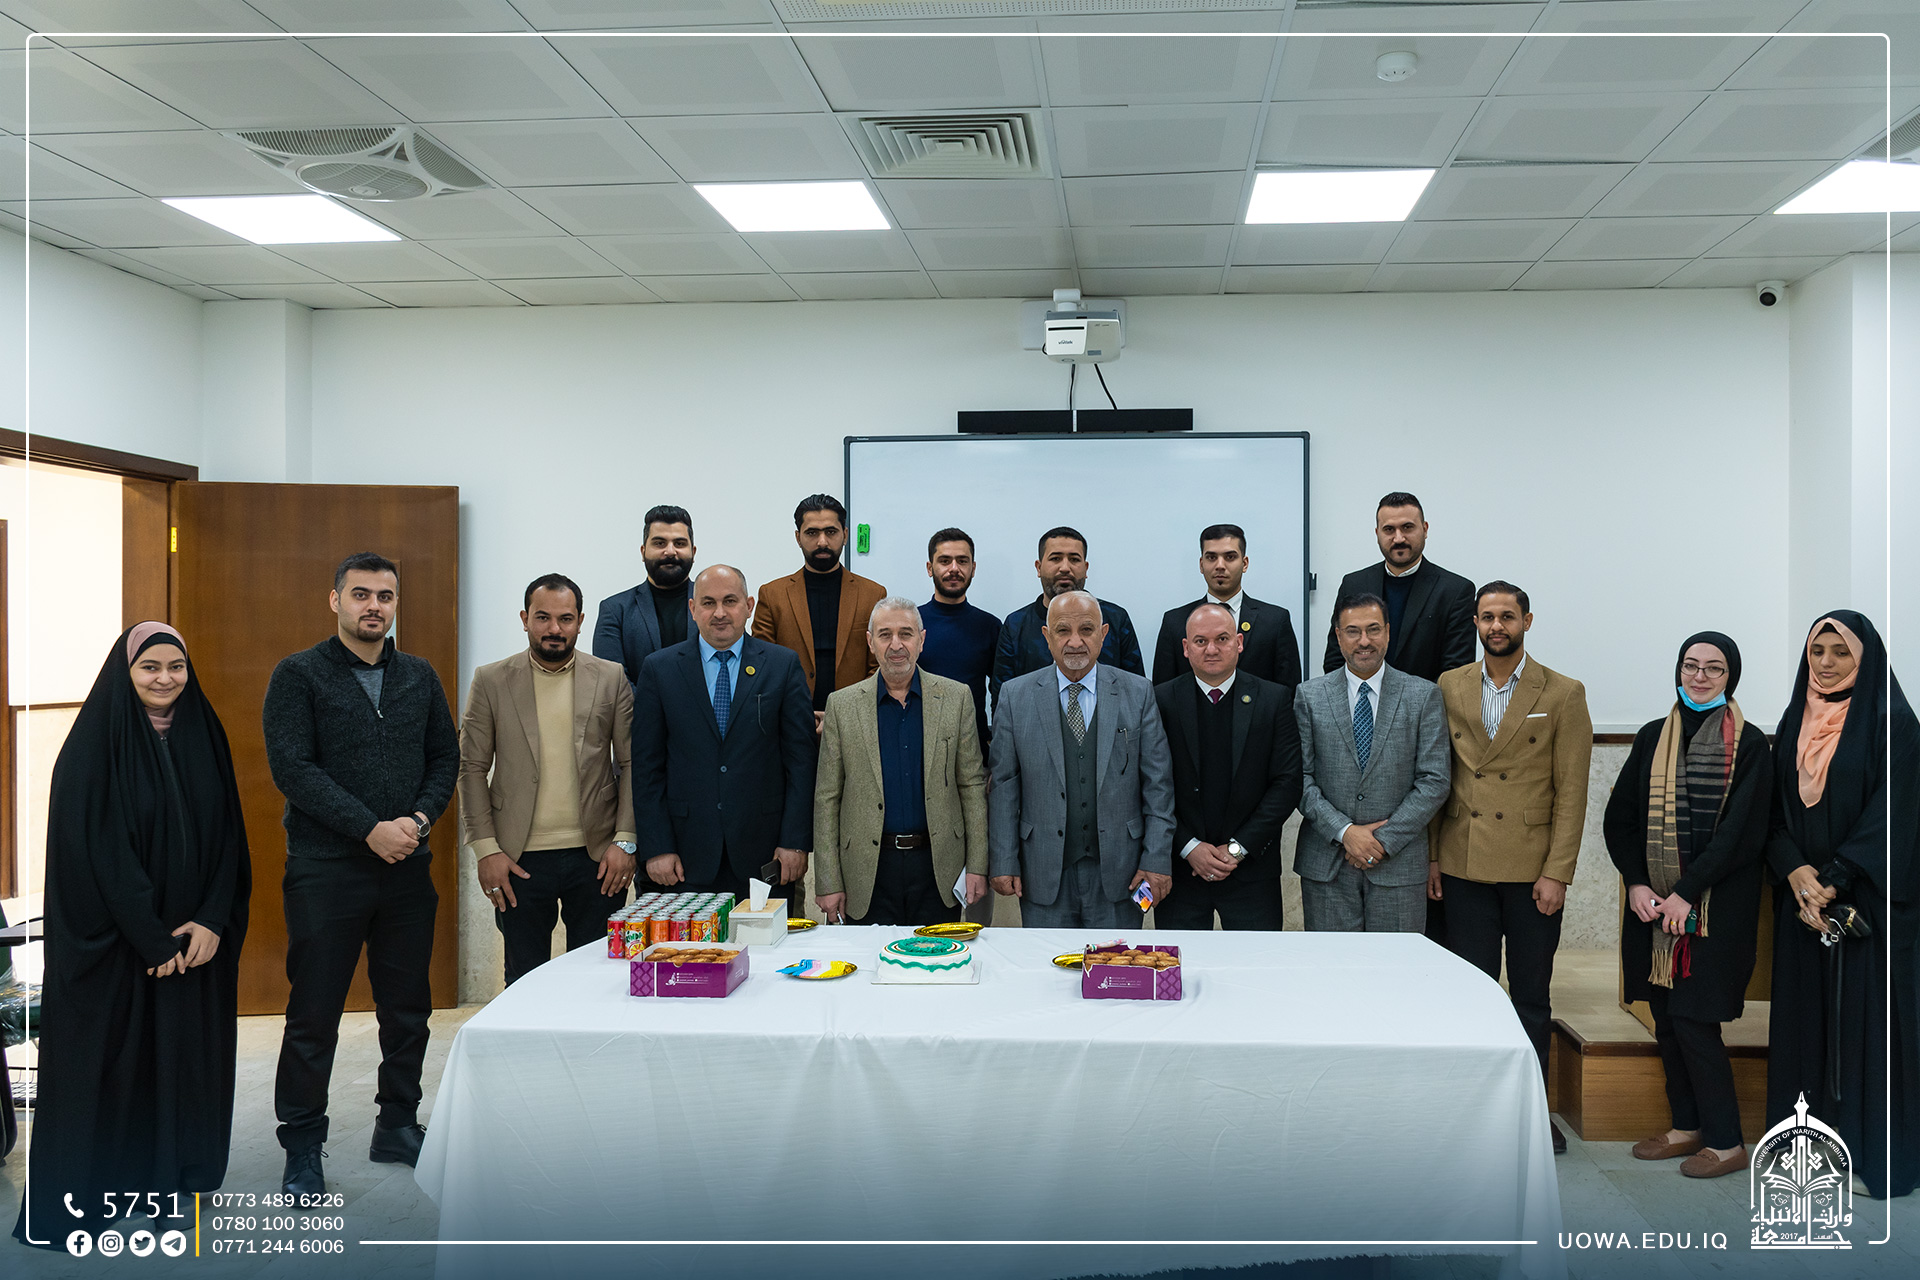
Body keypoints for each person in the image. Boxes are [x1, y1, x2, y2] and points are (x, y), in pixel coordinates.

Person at [11, 625, 250, 1249]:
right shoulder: (93, 747)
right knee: (115, 1070)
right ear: (126, 671)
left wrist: (213, 919)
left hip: (192, 947)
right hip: (123, 951)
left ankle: (174, 1187)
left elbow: (229, 835)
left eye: (177, 666)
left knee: (181, 1067)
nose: (166, 678)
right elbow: (96, 855)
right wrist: (152, 939)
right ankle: (98, 1195)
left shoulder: (204, 732)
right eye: (150, 667)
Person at [262, 552, 458, 1193]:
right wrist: (369, 828)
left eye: (385, 596)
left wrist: (418, 822)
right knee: (313, 1013)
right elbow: (293, 769)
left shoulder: (419, 676)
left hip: (406, 869)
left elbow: (445, 758)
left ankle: (397, 1124)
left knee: (408, 1010)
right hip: (326, 872)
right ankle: (302, 1144)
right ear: (336, 600)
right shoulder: (298, 674)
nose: (374, 606)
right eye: (361, 594)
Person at [1430, 581, 1591, 1154]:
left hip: (1531, 872)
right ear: (1475, 622)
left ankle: (1531, 1113)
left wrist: (1558, 872)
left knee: (1530, 998)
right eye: (1487, 617)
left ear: (1527, 621)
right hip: (1463, 863)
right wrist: (1433, 857)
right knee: (1471, 995)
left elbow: (1572, 792)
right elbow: (1437, 776)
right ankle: (1472, 1110)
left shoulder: (1564, 692)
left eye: (1507, 616)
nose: (1496, 626)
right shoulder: (1450, 684)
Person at [1604, 632, 1770, 1180]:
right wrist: (1636, 884)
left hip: (1714, 913)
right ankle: (1686, 1127)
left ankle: (1726, 1141)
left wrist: (1686, 891)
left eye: (1713, 668)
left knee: (1696, 1023)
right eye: (1690, 665)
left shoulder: (1749, 746)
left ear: (1730, 676)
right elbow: (1620, 820)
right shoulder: (1653, 736)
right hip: (1655, 914)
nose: (1700, 676)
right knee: (1668, 1023)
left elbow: (1740, 836)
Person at [1765, 611, 1919, 1200]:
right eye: (1817, 651)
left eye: (1840, 652)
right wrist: (1794, 871)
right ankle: (1807, 1152)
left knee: (1863, 1030)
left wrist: (1833, 878)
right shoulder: (1794, 718)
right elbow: (1773, 809)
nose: (1826, 663)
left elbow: (1894, 813)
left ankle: (1870, 1153)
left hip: (1868, 905)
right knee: (1806, 1022)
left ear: (1866, 658)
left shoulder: (1892, 722)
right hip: (1802, 903)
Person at [459, 574, 639, 987]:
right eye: (542, 617)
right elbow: (470, 767)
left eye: (565, 619)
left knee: (599, 981)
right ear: (525, 619)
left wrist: (626, 840)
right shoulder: (491, 680)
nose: (554, 629)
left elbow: (631, 763)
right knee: (524, 981)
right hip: (516, 859)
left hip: (598, 858)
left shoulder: (610, 677)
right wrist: (486, 850)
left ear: (580, 622)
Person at [988, 590, 1173, 928]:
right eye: (1063, 631)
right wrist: (1003, 860)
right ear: (1047, 637)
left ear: (1103, 634)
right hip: (1041, 871)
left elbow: (1158, 787)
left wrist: (1156, 859)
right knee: (1046, 962)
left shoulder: (1138, 693)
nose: (1075, 642)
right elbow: (1003, 787)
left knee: (1119, 961)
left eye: (1086, 630)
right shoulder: (1015, 697)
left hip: (1122, 872)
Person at [632, 565, 817, 901]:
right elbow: (647, 768)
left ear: (748, 606)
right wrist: (657, 847)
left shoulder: (782, 665)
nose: (719, 613)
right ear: (692, 609)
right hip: (684, 859)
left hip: (767, 857)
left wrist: (794, 841)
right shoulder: (659, 669)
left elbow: (801, 763)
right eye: (708, 603)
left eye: (730, 601)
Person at [814, 597, 988, 926]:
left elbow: (971, 786)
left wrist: (977, 865)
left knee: (939, 957)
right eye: (885, 634)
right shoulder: (842, 705)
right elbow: (827, 797)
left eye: (905, 634)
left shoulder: (956, 698)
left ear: (921, 640)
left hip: (938, 869)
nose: (896, 645)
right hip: (867, 871)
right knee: (868, 959)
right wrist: (828, 880)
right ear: (870, 642)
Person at [1293, 595, 1449, 932]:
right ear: (1338, 637)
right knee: (1332, 963)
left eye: (1373, 629)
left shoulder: (1423, 695)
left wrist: (1381, 841)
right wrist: (1346, 832)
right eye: (1353, 631)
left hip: (1399, 864)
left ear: (1388, 633)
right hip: (1327, 866)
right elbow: (1299, 778)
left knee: (1396, 964)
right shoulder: (1309, 696)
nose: (1364, 641)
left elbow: (1434, 780)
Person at [1152, 603, 1302, 931]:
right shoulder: (1159, 701)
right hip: (1182, 871)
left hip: (1252, 872)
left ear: (1239, 642)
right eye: (1201, 641)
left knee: (1257, 962)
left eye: (1222, 638)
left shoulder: (1274, 700)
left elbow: (1287, 783)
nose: (1212, 649)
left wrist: (1237, 849)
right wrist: (1189, 847)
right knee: (1180, 963)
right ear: (1186, 648)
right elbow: (1148, 785)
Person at [753, 494, 887, 729]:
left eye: (831, 532)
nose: (822, 542)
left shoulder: (873, 594)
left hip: (854, 722)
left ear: (845, 535)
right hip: (790, 724)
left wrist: (845, 713)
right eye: (812, 533)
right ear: (798, 537)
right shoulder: (772, 595)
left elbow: (878, 664)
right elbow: (763, 665)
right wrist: (798, 712)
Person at [1321, 492, 1475, 681]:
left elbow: (1455, 674)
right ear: (1377, 534)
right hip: (1361, 699)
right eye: (1389, 530)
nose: (1399, 538)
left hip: (1427, 699)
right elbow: (1335, 660)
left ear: (1425, 529)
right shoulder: (1353, 584)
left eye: (1407, 527)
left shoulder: (1455, 591)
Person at [991, 526, 1144, 714]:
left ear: (1086, 568)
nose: (1065, 568)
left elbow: (1136, 693)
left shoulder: (1115, 619)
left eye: (1074, 559)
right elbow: (1002, 702)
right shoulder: (1016, 625)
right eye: (1055, 559)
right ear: (1038, 567)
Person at [1151, 523, 1301, 689]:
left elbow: (1289, 693)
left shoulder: (1275, 621)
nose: (1220, 565)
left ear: (1245, 563)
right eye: (1211, 557)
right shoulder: (1175, 622)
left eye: (1230, 557)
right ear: (1201, 564)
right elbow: (1162, 693)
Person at [592, 504, 695, 692]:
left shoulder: (715, 608)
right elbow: (612, 680)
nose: (670, 551)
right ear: (643, 551)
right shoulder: (615, 610)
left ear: (693, 552)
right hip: (638, 711)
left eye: (679, 543)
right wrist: (649, 708)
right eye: (659, 543)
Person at [918, 526, 997, 752]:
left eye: (962, 561)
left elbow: (1002, 693)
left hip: (974, 746)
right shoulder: (911, 625)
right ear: (930, 568)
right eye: (945, 561)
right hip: (921, 746)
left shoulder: (990, 626)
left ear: (973, 568)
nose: (954, 569)